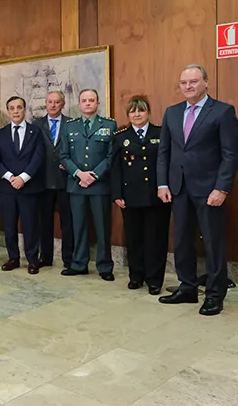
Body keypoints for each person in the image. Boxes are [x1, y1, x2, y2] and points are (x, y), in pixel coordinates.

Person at [157, 64, 238, 316]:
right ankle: (188, 287)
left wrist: (222, 188)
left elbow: (230, 154)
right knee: (181, 241)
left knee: (213, 243)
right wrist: (162, 183)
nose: (188, 86)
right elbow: (164, 153)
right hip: (178, 188)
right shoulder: (172, 113)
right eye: (184, 83)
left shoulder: (223, 112)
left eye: (193, 81)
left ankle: (214, 294)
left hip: (209, 190)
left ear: (205, 82)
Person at [111, 95, 170, 296]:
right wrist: (117, 194)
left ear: (148, 112)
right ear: (128, 114)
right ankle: (136, 276)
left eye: (141, 110)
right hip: (130, 197)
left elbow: (168, 163)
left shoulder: (161, 133)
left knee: (156, 240)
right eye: (133, 111)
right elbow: (115, 168)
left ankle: (154, 280)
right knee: (134, 238)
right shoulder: (120, 137)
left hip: (157, 196)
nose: (137, 114)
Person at [59, 89, 117, 281]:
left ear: (97, 103)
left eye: (91, 100)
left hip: (99, 186)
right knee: (79, 227)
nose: (88, 103)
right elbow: (64, 155)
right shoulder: (69, 126)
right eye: (84, 100)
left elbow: (111, 156)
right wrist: (79, 174)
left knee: (102, 228)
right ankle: (79, 264)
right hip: (76, 185)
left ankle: (105, 266)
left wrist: (94, 175)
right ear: (79, 104)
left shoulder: (109, 125)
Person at [0, 96, 45, 274]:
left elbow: (38, 157)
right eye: (12, 108)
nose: (15, 111)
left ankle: (32, 259)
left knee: (30, 225)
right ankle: (13, 258)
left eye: (19, 108)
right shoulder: (0, 134)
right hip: (7, 188)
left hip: (29, 187)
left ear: (24, 110)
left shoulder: (35, 132)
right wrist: (10, 177)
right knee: (9, 225)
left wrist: (23, 177)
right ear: (8, 112)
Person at [33, 91, 74, 271]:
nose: (53, 105)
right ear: (46, 103)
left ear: (62, 104)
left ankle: (69, 258)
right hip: (43, 181)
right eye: (50, 102)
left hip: (66, 181)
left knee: (68, 222)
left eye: (57, 102)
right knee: (44, 222)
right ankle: (46, 256)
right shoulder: (36, 124)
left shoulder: (72, 124)